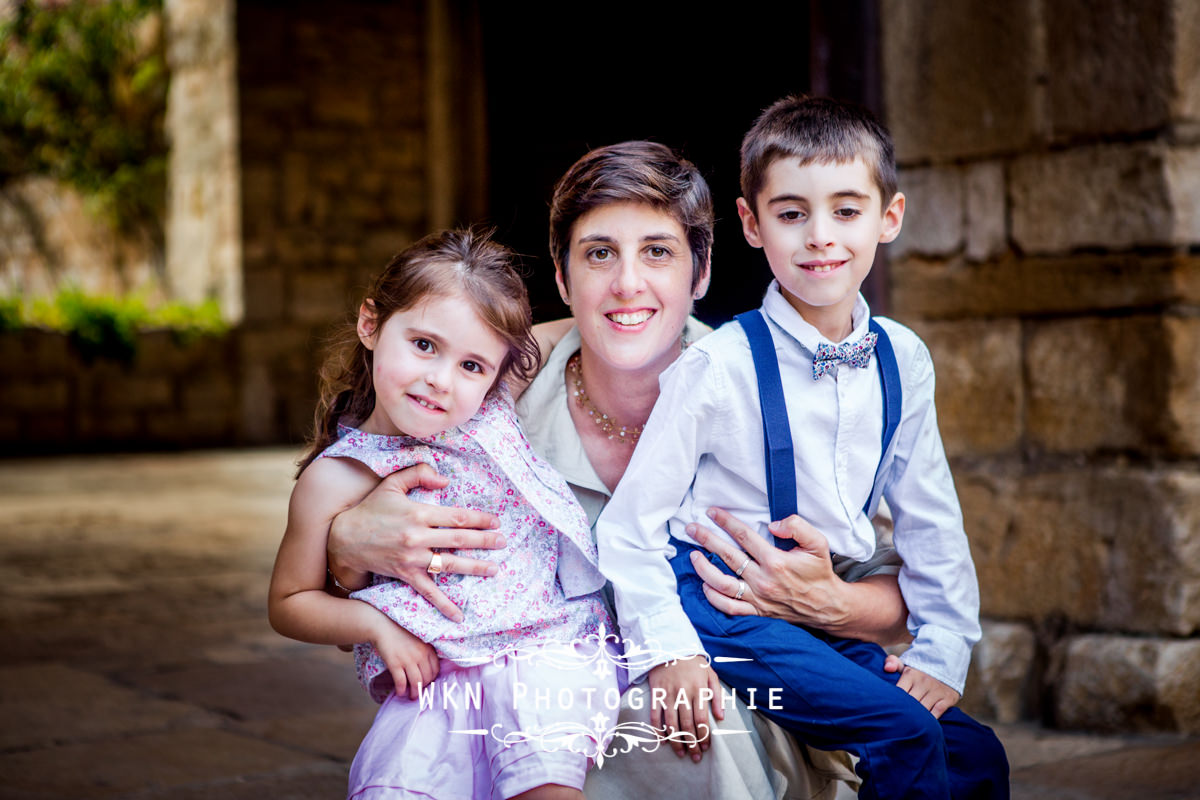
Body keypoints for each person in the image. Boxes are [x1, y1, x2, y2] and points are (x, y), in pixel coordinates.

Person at [328, 141, 913, 799]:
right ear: (561, 276)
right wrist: (345, 544)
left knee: (684, 728)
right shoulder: (489, 396)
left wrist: (832, 602)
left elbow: (905, 596)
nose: (627, 283)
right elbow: (365, 542)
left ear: (701, 273)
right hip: (529, 703)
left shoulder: (780, 392)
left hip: (744, 712)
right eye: (599, 253)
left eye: (658, 252)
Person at [595, 96, 1009, 800]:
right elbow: (629, 529)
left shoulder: (903, 358)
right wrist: (670, 652)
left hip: (818, 612)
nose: (821, 236)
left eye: (846, 211)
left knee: (975, 751)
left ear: (890, 217)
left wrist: (943, 649)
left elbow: (931, 517)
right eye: (791, 214)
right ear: (753, 225)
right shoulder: (716, 366)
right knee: (902, 734)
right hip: (724, 608)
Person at [267, 228, 617, 800]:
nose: (441, 379)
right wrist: (376, 626)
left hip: (545, 649)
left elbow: (566, 330)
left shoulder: (489, 410)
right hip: (435, 674)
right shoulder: (336, 477)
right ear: (371, 325)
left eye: (472, 365)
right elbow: (288, 603)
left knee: (544, 780)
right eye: (425, 345)